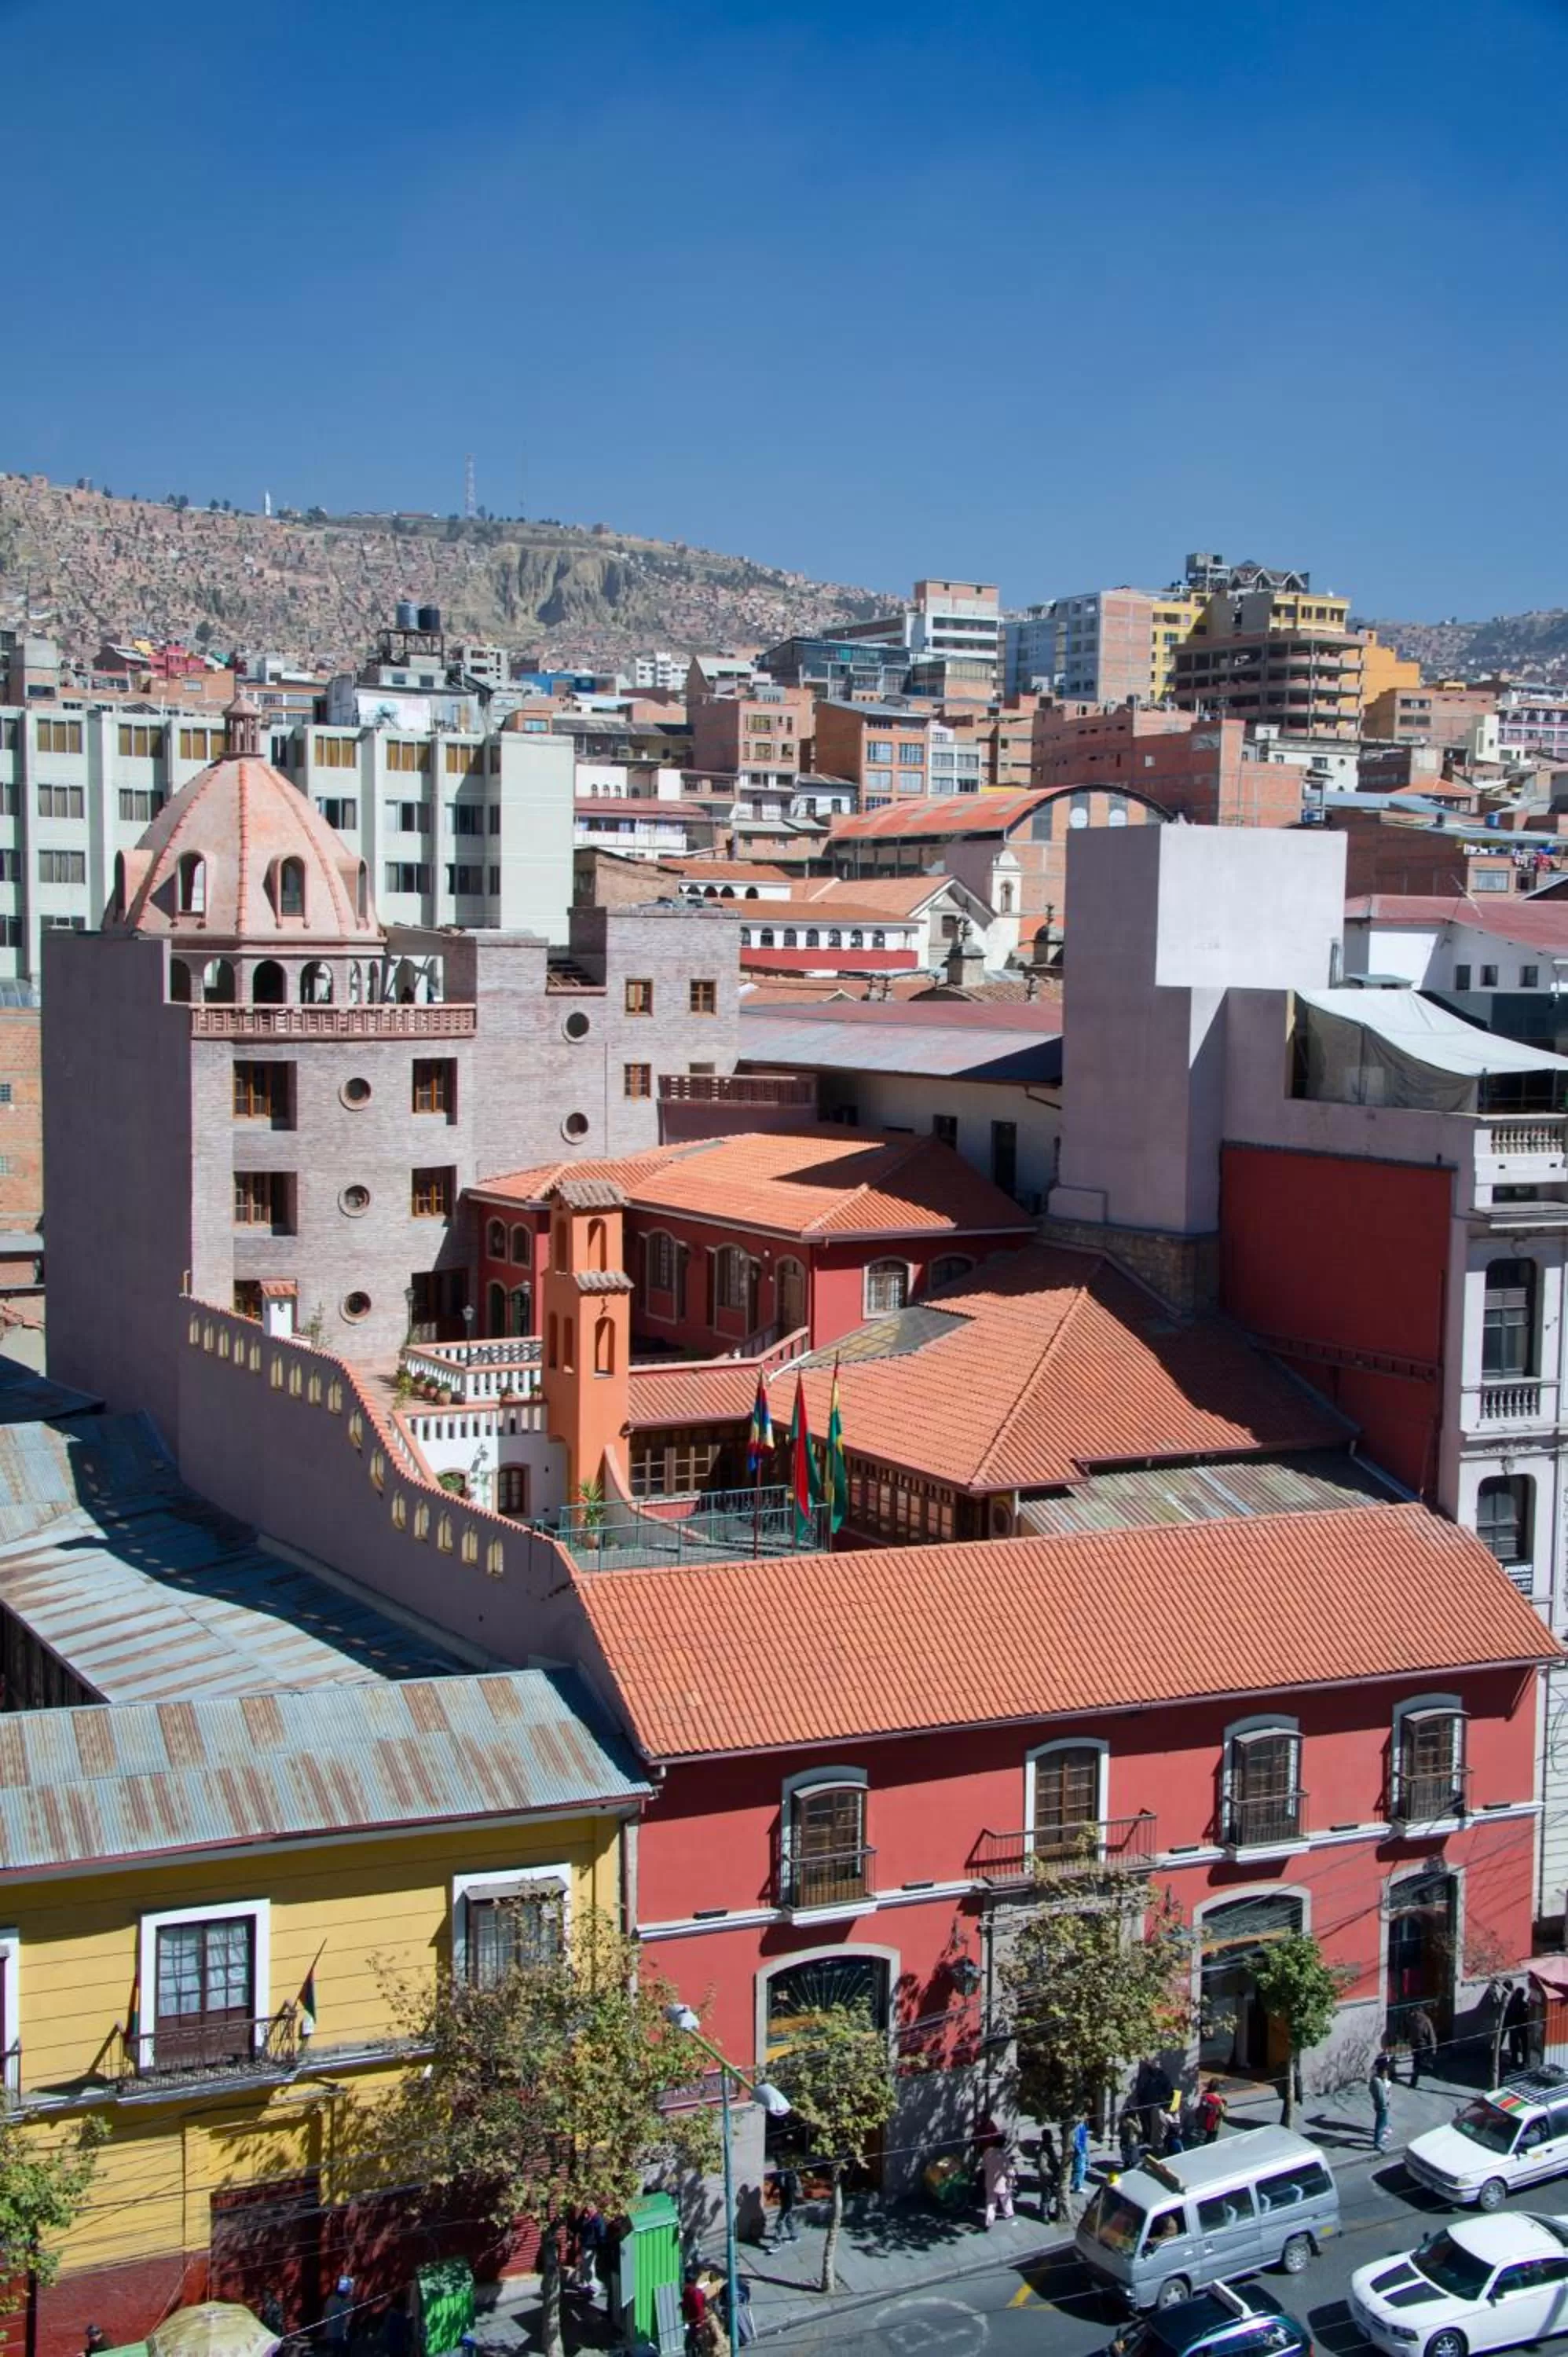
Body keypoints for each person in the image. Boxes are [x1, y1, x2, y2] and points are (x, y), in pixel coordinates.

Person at [982, 2135, 1016, 2227]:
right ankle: (1009, 2213)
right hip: (1001, 2183)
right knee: (1005, 2198)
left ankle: (989, 2222)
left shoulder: (988, 2152)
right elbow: (1009, 2171)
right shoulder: (1002, 2155)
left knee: (991, 2202)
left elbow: (984, 2166)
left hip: (989, 2182)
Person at [1409, 2007, 1439, 2088]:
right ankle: (1427, 2068)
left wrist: (1433, 2047)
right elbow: (1431, 2034)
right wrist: (1434, 2047)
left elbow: (1430, 2034)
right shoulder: (1419, 2020)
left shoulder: (1418, 2019)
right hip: (1419, 2045)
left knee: (1417, 2064)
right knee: (1418, 2064)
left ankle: (1413, 2082)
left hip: (1420, 2045)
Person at [682, 2268, 709, 2357]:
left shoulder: (694, 2293)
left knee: (689, 2345)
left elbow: (699, 2308)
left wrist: (699, 2323)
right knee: (694, 2344)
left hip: (697, 2323)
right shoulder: (691, 2292)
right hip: (694, 2322)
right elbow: (687, 2303)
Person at [1505, 1982, 1532, 2072]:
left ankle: (1514, 2062)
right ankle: (1524, 2062)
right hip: (1522, 2028)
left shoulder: (1513, 2002)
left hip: (1514, 2028)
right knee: (1524, 2045)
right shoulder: (1522, 2004)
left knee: (1514, 2046)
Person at [324, 2282, 355, 2355]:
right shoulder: (344, 2302)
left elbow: (325, 2315)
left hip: (329, 2333)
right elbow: (348, 2321)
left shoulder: (330, 2298)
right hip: (337, 2335)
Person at [1369, 2053, 1392, 2154]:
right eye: (1386, 2070)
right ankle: (1378, 2143)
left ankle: (1384, 2134)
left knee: (1383, 2123)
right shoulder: (1377, 2082)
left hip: (1383, 2105)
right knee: (1380, 2125)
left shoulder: (1380, 2079)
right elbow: (1382, 2097)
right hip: (1382, 2107)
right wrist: (1384, 2105)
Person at [772, 2162, 800, 2244]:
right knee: (788, 2219)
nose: (778, 2167)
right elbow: (776, 2183)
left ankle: (777, 2240)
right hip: (784, 2201)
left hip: (788, 2203)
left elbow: (791, 2192)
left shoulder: (790, 2177)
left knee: (779, 2221)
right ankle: (794, 2236)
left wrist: (788, 2206)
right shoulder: (780, 2174)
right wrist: (771, 2193)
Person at [1196, 2081, 1227, 2145]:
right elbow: (1222, 2110)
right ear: (1216, 2088)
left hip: (1210, 2119)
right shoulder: (1214, 2097)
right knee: (1211, 2135)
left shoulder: (1206, 2095)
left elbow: (1203, 2104)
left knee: (1210, 2135)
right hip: (1212, 2119)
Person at [1071, 2114, 1091, 2194]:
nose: (1086, 2117)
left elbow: (1083, 2140)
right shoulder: (1077, 2128)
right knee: (1079, 2170)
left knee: (1082, 2169)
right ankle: (1071, 2185)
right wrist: (1080, 2152)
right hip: (1079, 2151)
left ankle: (1077, 2186)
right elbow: (1076, 2142)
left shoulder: (1083, 2125)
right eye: (1084, 2116)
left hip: (1082, 2149)